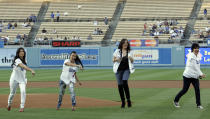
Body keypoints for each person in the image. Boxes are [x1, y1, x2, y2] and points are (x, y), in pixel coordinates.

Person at [174, 43, 206, 109]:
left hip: (195, 77)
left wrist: (198, 75)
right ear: (192, 49)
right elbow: (194, 66)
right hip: (187, 76)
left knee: (197, 90)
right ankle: (176, 100)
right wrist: (201, 74)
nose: (197, 49)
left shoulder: (199, 56)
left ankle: (198, 105)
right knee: (185, 90)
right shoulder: (191, 55)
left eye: (197, 48)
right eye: (195, 48)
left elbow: (198, 66)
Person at [7, 47, 35, 112]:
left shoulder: (25, 60)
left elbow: (23, 69)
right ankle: (9, 103)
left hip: (22, 80)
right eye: (20, 51)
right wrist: (31, 70)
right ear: (18, 53)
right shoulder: (17, 60)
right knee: (12, 93)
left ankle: (22, 107)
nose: (22, 52)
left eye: (23, 51)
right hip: (14, 79)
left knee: (23, 91)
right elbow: (22, 66)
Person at [113, 39, 135, 108]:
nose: (126, 44)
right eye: (124, 43)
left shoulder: (130, 51)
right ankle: (123, 101)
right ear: (121, 44)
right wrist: (117, 59)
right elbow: (113, 60)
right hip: (118, 70)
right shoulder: (117, 51)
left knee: (124, 81)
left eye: (127, 43)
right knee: (120, 85)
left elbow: (132, 61)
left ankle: (128, 100)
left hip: (126, 69)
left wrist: (130, 58)